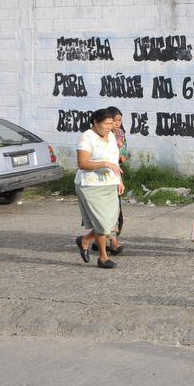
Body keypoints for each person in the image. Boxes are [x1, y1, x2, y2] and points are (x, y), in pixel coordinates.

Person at [74, 107, 125, 269]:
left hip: (110, 184)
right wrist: (105, 164)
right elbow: (82, 163)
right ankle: (103, 257)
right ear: (96, 122)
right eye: (107, 124)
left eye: (112, 123)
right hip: (91, 185)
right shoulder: (86, 137)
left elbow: (114, 161)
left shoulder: (111, 136)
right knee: (102, 223)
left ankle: (85, 240)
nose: (110, 127)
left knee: (110, 223)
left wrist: (119, 180)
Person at [90, 106, 129, 254]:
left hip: (114, 175)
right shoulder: (93, 136)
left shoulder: (119, 134)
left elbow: (123, 150)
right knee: (101, 212)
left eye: (119, 120)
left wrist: (123, 156)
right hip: (97, 178)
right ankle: (96, 241)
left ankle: (112, 241)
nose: (117, 124)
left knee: (114, 210)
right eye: (114, 121)